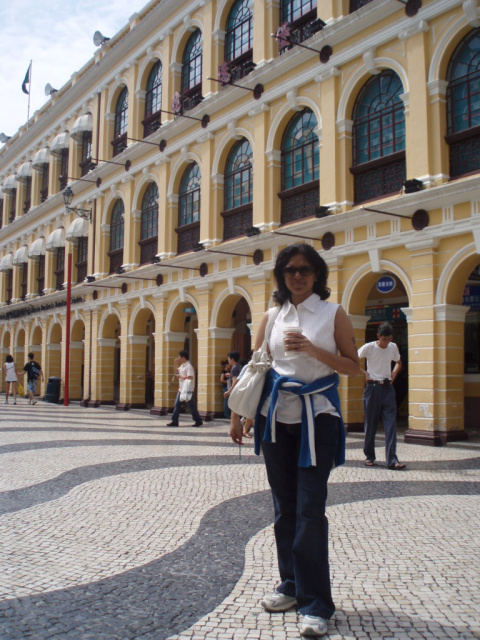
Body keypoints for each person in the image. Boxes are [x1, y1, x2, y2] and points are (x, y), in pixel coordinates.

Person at [229, 243, 361, 638]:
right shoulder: (272, 315)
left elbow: (354, 367)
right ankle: (290, 584)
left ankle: (316, 603)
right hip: (275, 419)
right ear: (282, 276)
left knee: (309, 510)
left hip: (317, 419)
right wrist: (239, 413)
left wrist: (313, 350)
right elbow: (255, 366)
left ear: (317, 274)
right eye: (289, 270)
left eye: (304, 269)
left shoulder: (332, 313)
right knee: (284, 508)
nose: (297, 276)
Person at [357, 322, 406, 470]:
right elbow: (353, 360)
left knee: (390, 424)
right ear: (378, 336)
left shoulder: (393, 347)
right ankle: (369, 456)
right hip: (372, 387)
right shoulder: (369, 347)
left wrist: (394, 373)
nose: (386, 342)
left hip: (387, 388)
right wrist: (364, 373)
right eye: (384, 339)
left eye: (389, 339)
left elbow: (398, 362)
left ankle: (392, 460)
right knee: (371, 423)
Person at [167, 350, 203, 428]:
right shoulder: (182, 366)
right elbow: (176, 372)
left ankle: (198, 420)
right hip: (181, 389)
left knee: (191, 406)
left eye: (179, 357)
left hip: (187, 389)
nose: (178, 358)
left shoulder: (188, 366)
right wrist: (175, 364)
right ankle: (174, 421)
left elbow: (190, 377)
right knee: (177, 405)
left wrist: (181, 377)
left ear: (183, 357)